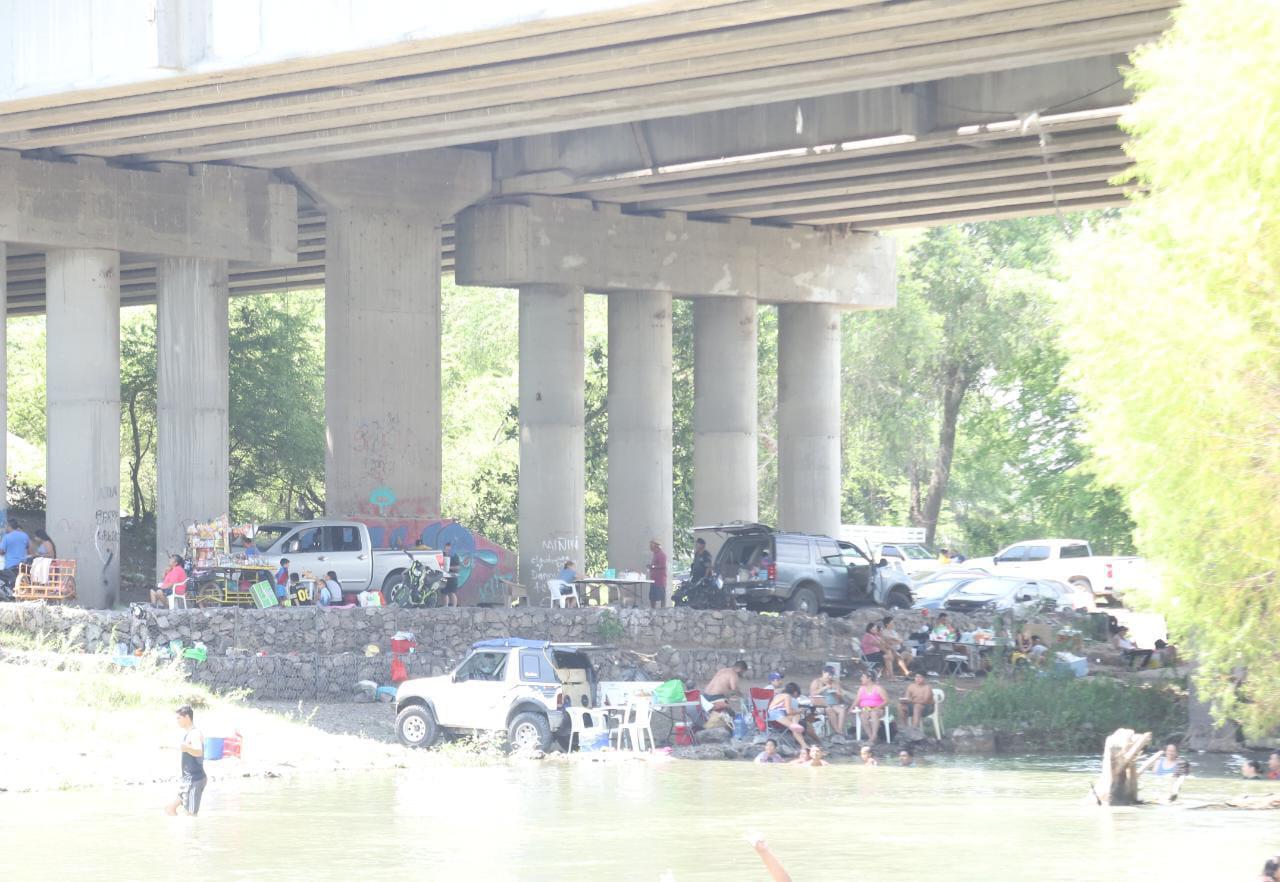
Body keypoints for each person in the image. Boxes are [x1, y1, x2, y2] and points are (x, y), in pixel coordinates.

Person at [165, 705, 207, 816]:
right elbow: (185, 749)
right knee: (170, 808)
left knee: (191, 816)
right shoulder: (189, 734)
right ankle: (181, 831)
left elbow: (199, 751)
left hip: (195, 780)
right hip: (187, 781)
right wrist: (167, 746)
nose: (177, 721)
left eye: (179, 718)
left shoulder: (195, 733)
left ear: (187, 717)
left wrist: (186, 748)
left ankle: (191, 833)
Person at [767, 682, 809, 750]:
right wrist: (800, 710)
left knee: (795, 718)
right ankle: (794, 725)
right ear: (795, 693)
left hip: (773, 715)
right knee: (796, 716)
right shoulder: (787, 696)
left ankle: (804, 745)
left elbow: (787, 710)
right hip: (775, 716)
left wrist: (797, 712)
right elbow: (789, 712)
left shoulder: (779, 695)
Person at [808, 666, 848, 736]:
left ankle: (840, 729)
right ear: (823, 672)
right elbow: (812, 694)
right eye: (828, 674)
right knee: (829, 710)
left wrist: (837, 693)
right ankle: (837, 731)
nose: (830, 677)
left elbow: (840, 695)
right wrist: (825, 688)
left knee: (842, 710)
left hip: (834, 703)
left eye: (831, 675)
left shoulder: (835, 682)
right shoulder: (817, 681)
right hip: (821, 704)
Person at [854, 672, 889, 743]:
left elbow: (886, 700)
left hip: (878, 708)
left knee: (873, 713)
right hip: (866, 708)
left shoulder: (878, 688)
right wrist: (851, 708)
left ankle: (873, 736)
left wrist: (877, 708)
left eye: (863, 677)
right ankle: (871, 737)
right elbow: (857, 700)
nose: (861, 679)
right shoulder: (861, 688)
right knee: (863, 716)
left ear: (869, 678)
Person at [440, 542, 461, 607]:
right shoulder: (441, 555)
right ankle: (445, 607)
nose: (447, 549)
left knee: (452, 592)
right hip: (443, 576)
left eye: (449, 548)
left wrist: (448, 567)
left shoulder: (455, 556)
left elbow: (458, 567)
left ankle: (454, 607)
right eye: (446, 548)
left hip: (452, 576)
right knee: (444, 592)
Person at [647, 539, 667, 608]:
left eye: (651, 546)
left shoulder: (661, 555)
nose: (650, 548)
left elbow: (662, 566)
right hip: (653, 579)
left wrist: (652, 566)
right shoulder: (655, 554)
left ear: (656, 546)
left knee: (661, 596)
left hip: (659, 580)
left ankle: (663, 609)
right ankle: (653, 609)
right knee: (652, 596)